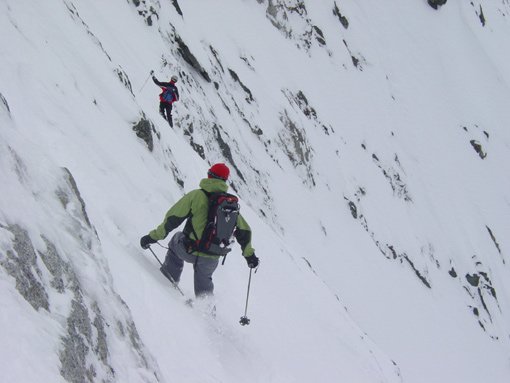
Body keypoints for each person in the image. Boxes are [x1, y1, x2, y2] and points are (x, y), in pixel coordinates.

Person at [140, 163, 259, 297]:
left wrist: (152, 237)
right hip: (213, 256)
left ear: (209, 175)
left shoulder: (196, 196)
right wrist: (250, 256)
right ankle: (207, 313)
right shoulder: (229, 205)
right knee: (205, 292)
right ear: (224, 180)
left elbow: (172, 219)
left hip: (191, 250)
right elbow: (245, 230)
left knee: (176, 239)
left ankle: (168, 280)